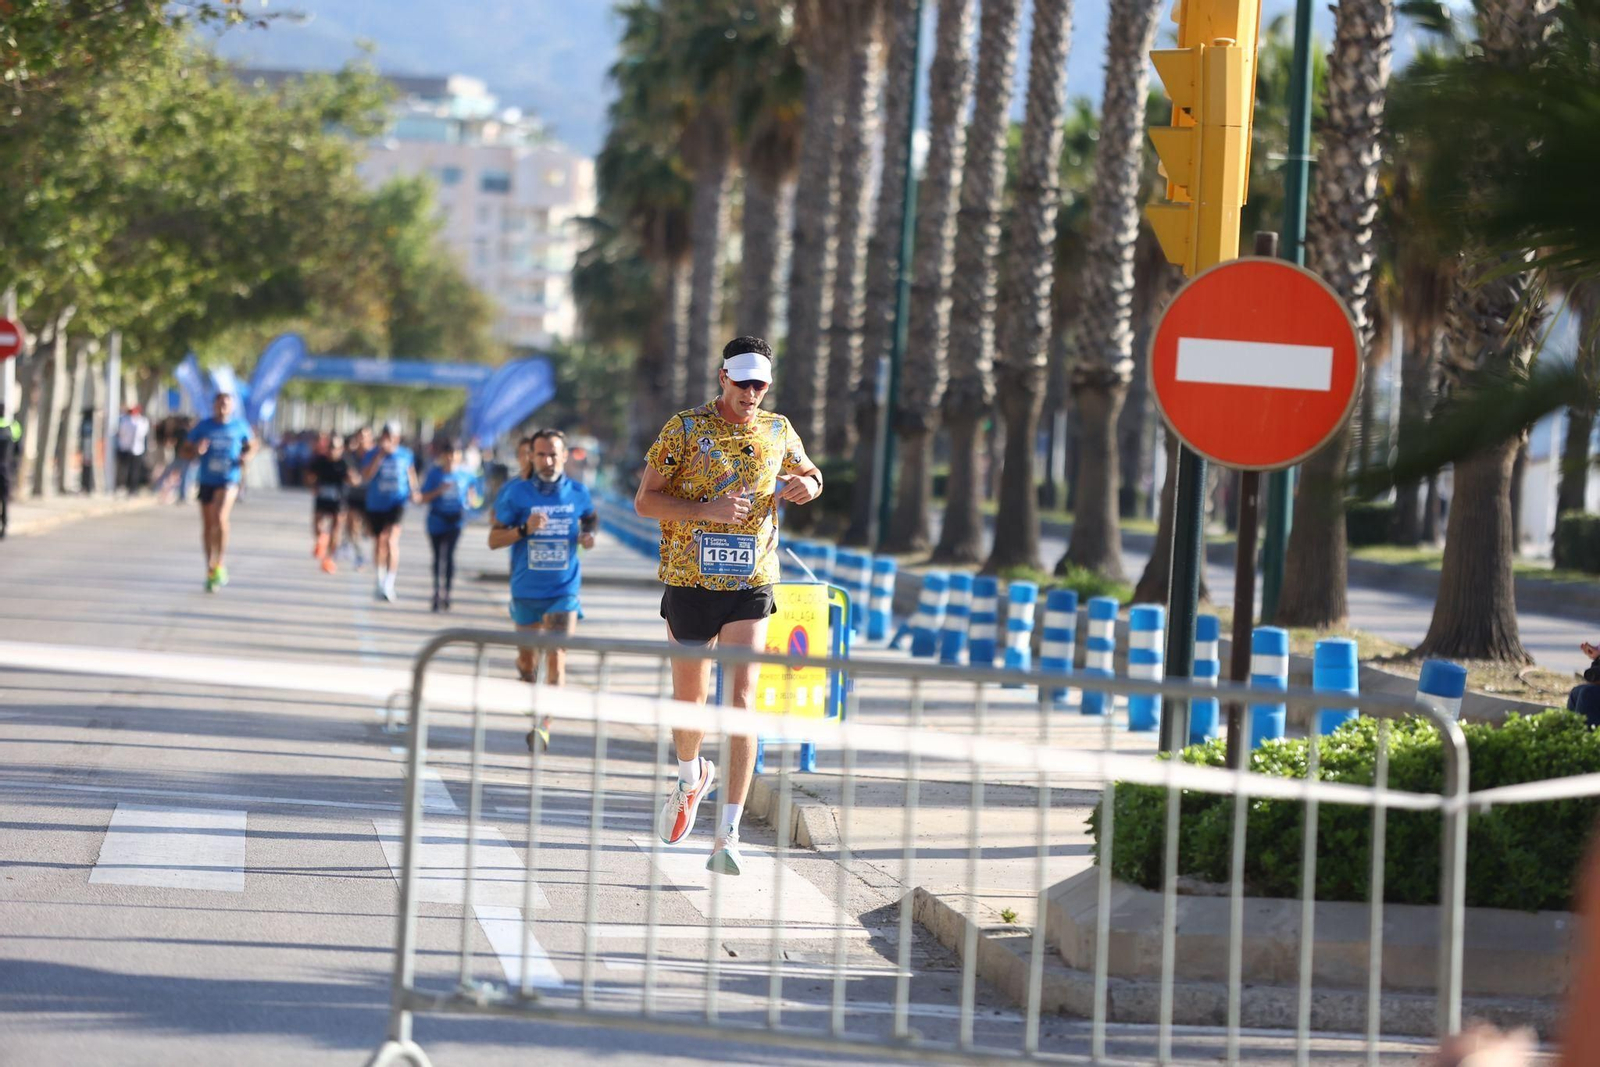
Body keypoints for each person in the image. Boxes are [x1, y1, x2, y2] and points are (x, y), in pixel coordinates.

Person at [634, 337, 823, 875]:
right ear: (722, 378)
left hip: (753, 580)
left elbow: (811, 472)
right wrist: (708, 508)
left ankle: (729, 835)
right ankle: (692, 777)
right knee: (690, 703)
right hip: (690, 579)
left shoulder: (778, 429)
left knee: (741, 700)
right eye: (742, 383)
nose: (752, 393)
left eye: (761, 384)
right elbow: (645, 501)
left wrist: (809, 484)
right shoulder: (684, 429)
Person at [491, 429, 597, 751]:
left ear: (564, 455)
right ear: (531, 457)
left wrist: (587, 536)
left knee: (557, 657)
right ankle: (525, 674)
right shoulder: (516, 494)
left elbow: (591, 519)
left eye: (554, 454)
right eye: (541, 454)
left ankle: (543, 725)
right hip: (526, 590)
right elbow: (494, 540)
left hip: (563, 590)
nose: (548, 460)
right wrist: (524, 529)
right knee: (528, 662)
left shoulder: (578, 492)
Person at [184, 392, 255, 592]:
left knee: (220, 517)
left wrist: (246, 456)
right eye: (220, 403)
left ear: (231, 407)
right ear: (214, 405)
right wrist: (196, 451)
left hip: (228, 479)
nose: (223, 406)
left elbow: (251, 445)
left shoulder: (240, 426)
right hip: (207, 479)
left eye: (226, 403)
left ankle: (221, 562)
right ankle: (210, 566)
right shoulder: (204, 426)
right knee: (208, 525)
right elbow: (185, 450)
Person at [362, 421, 417, 603]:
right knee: (379, 542)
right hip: (376, 504)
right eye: (385, 436)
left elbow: (411, 474)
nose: (388, 439)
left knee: (392, 540)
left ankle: (389, 584)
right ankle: (379, 580)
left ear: (397, 437)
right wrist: (379, 456)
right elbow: (366, 475)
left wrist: (415, 491)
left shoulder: (405, 454)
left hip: (397, 502)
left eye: (392, 436)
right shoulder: (372, 454)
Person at [418, 439, 476, 612]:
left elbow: (473, 491)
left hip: (455, 521)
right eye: (448, 455)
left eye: (454, 455)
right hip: (436, 520)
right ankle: (436, 591)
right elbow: (423, 498)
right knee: (437, 557)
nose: (451, 458)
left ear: (459, 456)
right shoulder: (434, 474)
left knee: (450, 556)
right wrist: (439, 490)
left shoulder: (466, 474)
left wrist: (470, 500)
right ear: (442, 456)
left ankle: (448, 593)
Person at [307, 434, 352, 574]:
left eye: (336, 447)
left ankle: (329, 558)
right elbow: (309, 475)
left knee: (337, 528)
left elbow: (352, 479)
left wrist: (353, 479)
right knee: (318, 525)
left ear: (341, 449)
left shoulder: (345, 463)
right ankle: (322, 538)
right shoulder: (320, 461)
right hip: (322, 498)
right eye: (331, 447)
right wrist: (313, 485)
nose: (333, 450)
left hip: (338, 500)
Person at [341, 427, 374, 569]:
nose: (362, 439)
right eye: (360, 436)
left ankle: (370, 553)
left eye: (365, 436)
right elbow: (345, 473)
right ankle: (360, 555)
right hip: (354, 495)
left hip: (372, 496)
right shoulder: (350, 455)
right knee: (352, 524)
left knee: (370, 530)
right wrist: (349, 479)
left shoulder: (375, 455)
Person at [115, 405, 150, 494]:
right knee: (125, 470)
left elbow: (141, 435)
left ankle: (132, 488)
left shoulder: (140, 421)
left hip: (136, 449)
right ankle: (126, 487)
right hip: (126, 448)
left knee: (134, 470)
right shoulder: (125, 420)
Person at [0, 406, 19, 538]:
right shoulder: (13, 426)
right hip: (6, 469)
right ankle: (4, 525)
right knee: (5, 499)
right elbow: (19, 449)